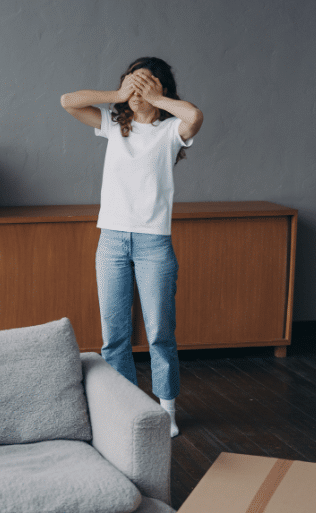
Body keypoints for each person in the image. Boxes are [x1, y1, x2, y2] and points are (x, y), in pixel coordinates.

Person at [60, 57, 203, 437]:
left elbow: (194, 115)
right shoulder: (113, 124)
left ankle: (166, 410)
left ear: (162, 90)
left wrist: (157, 97)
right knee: (115, 335)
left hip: (153, 241)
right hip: (111, 240)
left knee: (160, 332)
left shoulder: (171, 130)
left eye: (147, 84)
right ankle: (125, 409)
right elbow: (67, 101)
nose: (137, 91)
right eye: (132, 84)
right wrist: (119, 94)